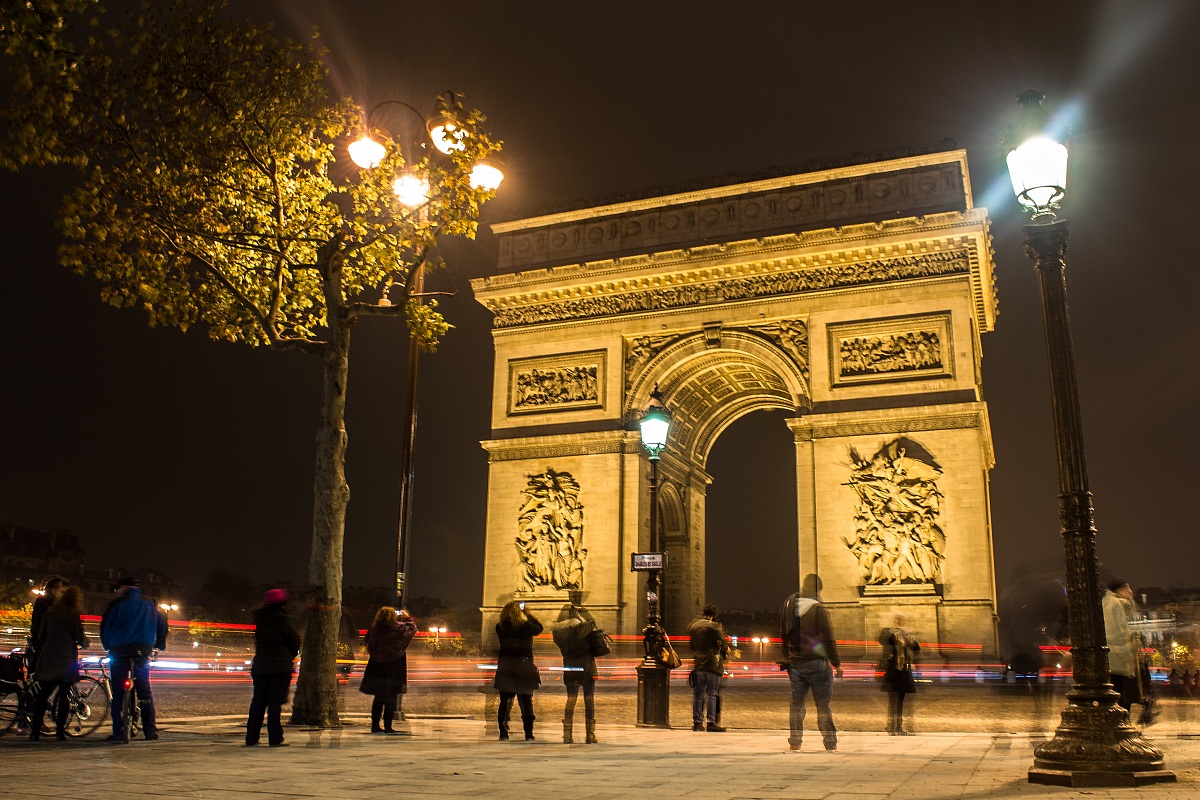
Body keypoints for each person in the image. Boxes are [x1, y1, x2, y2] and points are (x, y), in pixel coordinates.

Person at [100, 577, 168, 742]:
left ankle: (118, 731)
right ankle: (150, 731)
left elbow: (105, 627)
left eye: (118, 589)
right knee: (144, 690)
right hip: (142, 650)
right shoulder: (151, 603)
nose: (117, 592)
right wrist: (159, 644)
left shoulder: (115, 605)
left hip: (119, 650)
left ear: (124, 587)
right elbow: (162, 625)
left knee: (118, 692)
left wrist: (107, 645)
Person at [780, 573, 842, 752]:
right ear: (818, 589)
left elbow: (783, 635)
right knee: (823, 705)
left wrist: (789, 657)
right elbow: (828, 638)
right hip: (817, 664)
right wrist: (837, 663)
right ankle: (830, 743)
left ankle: (795, 742)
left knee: (796, 705)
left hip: (796, 664)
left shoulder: (789, 606)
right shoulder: (818, 609)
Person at [27, 586, 88, 741]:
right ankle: (60, 731)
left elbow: (41, 636)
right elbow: (78, 637)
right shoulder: (73, 614)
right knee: (64, 696)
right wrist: (84, 641)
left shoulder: (50, 613)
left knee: (43, 694)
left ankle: (35, 731)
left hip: (49, 657)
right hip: (66, 659)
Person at [245, 588, 301, 747]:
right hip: (280, 666)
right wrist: (289, 656)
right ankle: (275, 737)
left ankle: (251, 737)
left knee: (258, 702)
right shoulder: (284, 620)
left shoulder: (259, 620)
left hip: (261, 665)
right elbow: (295, 641)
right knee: (274, 703)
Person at [360, 605, 417, 734]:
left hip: (376, 665)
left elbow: (368, 642)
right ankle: (388, 726)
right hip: (394, 666)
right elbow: (412, 628)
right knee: (391, 697)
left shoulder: (374, 629)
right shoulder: (398, 628)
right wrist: (407, 616)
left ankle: (375, 725)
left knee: (378, 697)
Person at [494, 600, 542, 741]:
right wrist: (528, 614)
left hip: (506, 667)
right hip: (523, 667)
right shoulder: (526, 626)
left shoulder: (500, 627)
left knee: (504, 702)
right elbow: (539, 628)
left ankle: (503, 732)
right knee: (526, 702)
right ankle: (528, 733)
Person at [551, 603, 599, 744]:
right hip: (586, 667)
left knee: (571, 700)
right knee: (589, 701)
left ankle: (567, 734)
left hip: (570, 667)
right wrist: (584, 611)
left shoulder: (558, 632)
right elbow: (592, 623)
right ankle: (590, 735)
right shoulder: (581, 628)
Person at [687, 604, 730, 732]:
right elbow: (723, 643)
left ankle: (697, 722)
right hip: (712, 663)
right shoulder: (714, 627)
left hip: (699, 663)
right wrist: (725, 651)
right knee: (712, 693)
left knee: (698, 695)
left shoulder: (693, 626)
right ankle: (711, 722)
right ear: (712, 615)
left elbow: (691, 646)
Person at [878, 614, 920, 735]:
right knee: (892, 699)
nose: (900, 623)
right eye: (898, 621)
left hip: (904, 670)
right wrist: (894, 633)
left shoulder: (906, 635)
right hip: (893, 670)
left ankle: (898, 726)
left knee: (900, 699)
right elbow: (883, 641)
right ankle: (891, 726)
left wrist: (911, 638)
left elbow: (917, 649)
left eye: (902, 621)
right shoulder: (888, 633)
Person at [1101, 580, 1140, 711]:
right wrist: (1127, 654)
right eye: (1127, 589)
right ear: (1119, 590)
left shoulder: (1108, 602)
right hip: (1118, 657)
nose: (1131, 593)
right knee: (1122, 696)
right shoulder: (1116, 604)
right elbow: (1119, 632)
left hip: (1113, 656)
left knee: (1117, 694)